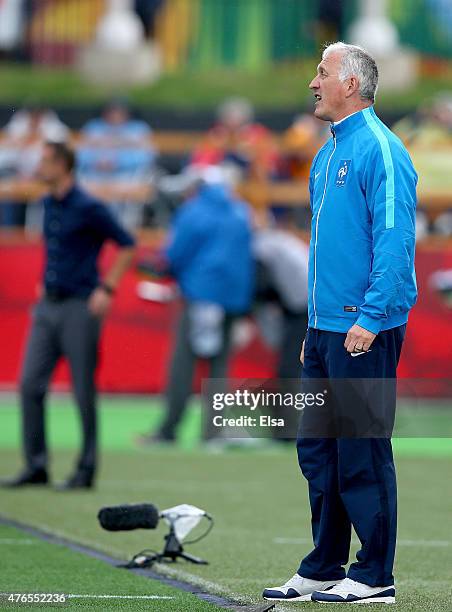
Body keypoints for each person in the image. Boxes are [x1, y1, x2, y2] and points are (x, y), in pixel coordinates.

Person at [263, 43, 417, 604]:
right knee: (318, 451)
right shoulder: (327, 154)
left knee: (363, 449)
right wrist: (314, 320)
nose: (312, 82)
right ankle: (324, 563)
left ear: (350, 83)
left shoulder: (382, 148)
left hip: (364, 329)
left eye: (322, 73)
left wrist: (372, 317)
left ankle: (376, 573)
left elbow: (396, 241)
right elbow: (325, 249)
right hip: (324, 328)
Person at [1, 142, 136, 490]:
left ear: (63, 165)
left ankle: (86, 467)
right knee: (30, 384)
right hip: (48, 305)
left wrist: (106, 289)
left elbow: (126, 243)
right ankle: (36, 464)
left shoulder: (89, 206)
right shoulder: (47, 203)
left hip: (79, 305)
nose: (39, 167)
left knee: (82, 388)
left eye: (45, 161)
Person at [137, 165, 254, 443]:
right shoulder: (240, 212)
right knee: (219, 368)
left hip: (200, 295)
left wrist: (157, 266)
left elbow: (174, 255)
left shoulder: (194, 212)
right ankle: (212, 432)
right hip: (232, 300)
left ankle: (169, 429)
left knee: (183, 365)